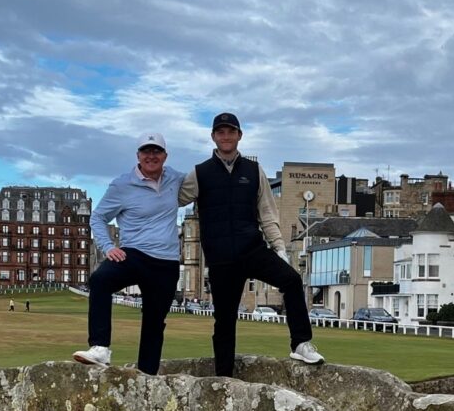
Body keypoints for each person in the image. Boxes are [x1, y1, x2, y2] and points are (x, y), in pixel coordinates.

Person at [178, 112, 324, 377]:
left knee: (291, 280)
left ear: (239, 135)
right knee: (224, 321)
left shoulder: (254, 171)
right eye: (220, 132)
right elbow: (171, 199)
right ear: (213, 137)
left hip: (252, 249)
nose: (226, 136)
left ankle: (300, 342)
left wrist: (279, 247)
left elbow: (267, 213)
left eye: (230, 132)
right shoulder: (200, 173)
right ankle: (224, 378)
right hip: (221, 259)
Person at [73, 132, 185, 374]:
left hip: (166, 262)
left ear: (165, 156)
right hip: (134, 254)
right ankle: (100, 347)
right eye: (146, 151)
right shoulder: (122, 185)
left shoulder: (176, 179)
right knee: (100, 280)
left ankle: (147, 376)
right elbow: (98, 217)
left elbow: (202, 185)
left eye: (156, 151)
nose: (151, 156)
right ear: (138, 155)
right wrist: (108, 246)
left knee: (154, 322)